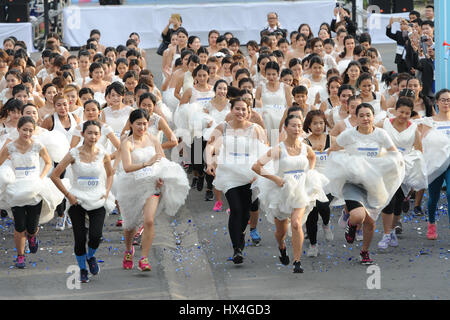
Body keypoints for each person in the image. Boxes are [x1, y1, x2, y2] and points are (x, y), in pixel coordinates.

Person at [326, 103, 405, 265]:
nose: (365, 118)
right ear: (356, 117)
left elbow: (394, 155)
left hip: (374, 183)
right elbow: (332, 150)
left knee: (370, 221)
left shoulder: (381, 134)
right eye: (361, 115)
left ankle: (365, 252)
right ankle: (350, 223)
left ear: (373, 116)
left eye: (368, 115)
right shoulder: (348, 135)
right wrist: (347, 164)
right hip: (353, 182)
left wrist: (380, 165)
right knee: (358, 216)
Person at [252, 114, 328, 272]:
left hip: (301, 190)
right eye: (293, 125)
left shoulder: (305, 147)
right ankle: (281, 246)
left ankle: (297, 261)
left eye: (299, 126)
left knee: (295, 223)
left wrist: (310, 173)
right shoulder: (278, 149)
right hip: (281, 191)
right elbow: (257, 166)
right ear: (285, 128)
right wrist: (275, 178)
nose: (297, 129)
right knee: (281, 232)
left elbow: (312, 157)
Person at [118, 109, 189, 271]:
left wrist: (162, 175)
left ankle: (144, 258)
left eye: (144, 124)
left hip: (151, 185)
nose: (142, 127)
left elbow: (162, 160)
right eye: (138, 124)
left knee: (149, 220)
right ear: (131, 124)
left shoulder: (153, 139)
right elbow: (127, 167)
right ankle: (129, 250)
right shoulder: (127, 143)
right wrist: (146, 164)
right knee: (130, 225)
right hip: (131, 186)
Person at [51, 120, 115, 283]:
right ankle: (82, 269)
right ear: (82, 134)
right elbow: (55, 175)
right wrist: (68, 195)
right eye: (89, 133)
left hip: (97, 199)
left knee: (95, 235)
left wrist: (107, 191)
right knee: (80, 238)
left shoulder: (103, 153)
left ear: (100, 135)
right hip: (77, 199)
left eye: (96, 133)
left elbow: (110, 174)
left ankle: (90, 256)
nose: (93, 136)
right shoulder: (74, 153)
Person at [206, 97, 267, 264]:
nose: (240, 112)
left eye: (244, 109)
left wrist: (260, 172)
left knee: (245, 212)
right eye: (237, 109)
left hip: (249, 173)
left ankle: (241, 234)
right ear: (231, 110)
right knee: (236, 208)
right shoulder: (223, 127)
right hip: (228, 172)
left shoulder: (256, 129)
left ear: (249, 112)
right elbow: (210, 146)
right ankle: (237, 249)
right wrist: (210, 161)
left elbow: (264, 152)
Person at [0, 116, 64, 268]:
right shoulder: (10, 147)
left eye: (30, 130)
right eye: (24, 130)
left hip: (35, 187)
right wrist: (6, 174)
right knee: (19, 225)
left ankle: (32, 236)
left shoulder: (38, 145)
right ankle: (20, 256)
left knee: (31, 226)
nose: (27, 133)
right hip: (16, 188)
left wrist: (41, 177)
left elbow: (48, 162)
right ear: (18, 129)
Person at [375, 98, 427, 248]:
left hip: (404, 167)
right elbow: (371, 134)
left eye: (407, 113)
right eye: (401, 112)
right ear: (395, 110)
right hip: (386, 166)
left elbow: (418, 150)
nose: (403, 115)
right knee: (388, 200)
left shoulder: (414, 129)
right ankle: (386, 234)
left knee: (398, 200)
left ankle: (392, 230)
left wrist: (414, 173)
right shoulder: (384, 123)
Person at [302, 110, 335, 257]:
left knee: (324, 206)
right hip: (311, 180)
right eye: (315, 123)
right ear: (309, 125)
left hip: (328, 179)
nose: (318, 126)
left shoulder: (331, 139)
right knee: (311, 214)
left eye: (321, 123)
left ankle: (326, 224)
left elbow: (343, 152)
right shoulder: (304, 142)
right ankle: (313, 245)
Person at [419, 89, 450, 240]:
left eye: (449, 100)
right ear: (437, 102)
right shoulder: (429, 122)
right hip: (435, 164)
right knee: (434, 197)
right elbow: (423, 143)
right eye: (443, 100)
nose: (446, 103)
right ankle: (431, 222)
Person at [255, 61, 292, 144]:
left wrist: (283, 120)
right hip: (266, 118)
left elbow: (289, 106)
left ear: (278, 73)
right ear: (265, 74)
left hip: (281, 117)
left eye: (273, 74)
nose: (271, 77)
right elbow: (257, 107)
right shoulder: (260, 88)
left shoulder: (285, 87)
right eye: (268, 74)